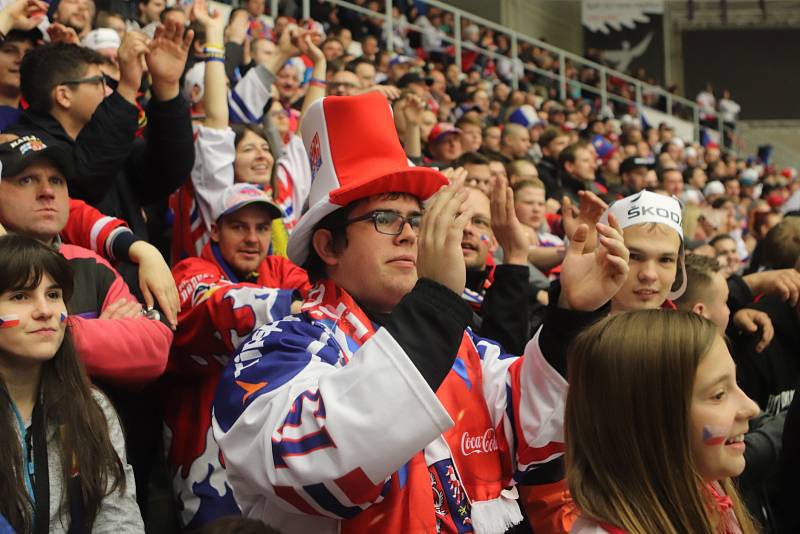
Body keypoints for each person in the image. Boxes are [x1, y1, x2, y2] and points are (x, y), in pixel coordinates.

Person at [211, 92, 630, 533]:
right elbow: (317, 467)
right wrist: (433, 305)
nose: (410, 236)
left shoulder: (463, 346)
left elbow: (536, 433)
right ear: (328, 245)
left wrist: (571, 317)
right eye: (386, 218)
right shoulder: (277, 348)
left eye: (416, 220)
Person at [165, 183, 309, 528]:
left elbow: (319, 297)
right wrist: (286, 306)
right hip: (206, 447)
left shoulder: (281, 269)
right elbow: (215, 305)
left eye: (261, 228)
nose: (252, 239)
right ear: (214, 230)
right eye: (239, 227)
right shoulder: (190, 270)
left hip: (274, 446)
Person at [567, 310, 759, 533]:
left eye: (736, 382)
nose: (751, 408)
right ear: (648, 421)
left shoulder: (706, 494)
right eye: (718, 394)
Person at [0, 234, 143, 532]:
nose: (46, 311)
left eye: (53, 295)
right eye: (20, 296)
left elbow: (118, 519)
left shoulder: (92, 407)